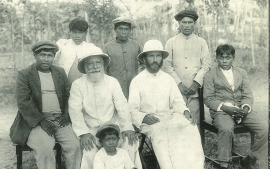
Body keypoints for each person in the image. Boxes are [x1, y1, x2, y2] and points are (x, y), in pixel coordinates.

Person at [129, 40, 204, 169]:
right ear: (144, 59)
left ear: (162, 59)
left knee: (190, 127)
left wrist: (185, 111)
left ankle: (193, 166)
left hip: (168, 117)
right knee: (161, 132)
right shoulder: (137, 81)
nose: (155, 60)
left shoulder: (168, 78)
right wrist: (144, 117)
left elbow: (177, 102)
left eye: (158, 56)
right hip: (149, 122)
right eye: (151, 56)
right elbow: (132, 109)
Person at [9, 41, 82, 169]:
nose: (46, 59)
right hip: (35, 122)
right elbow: (23, 102)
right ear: (35, 55)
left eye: (50, 55)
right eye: (42, 55)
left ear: (54, 57)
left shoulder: (60, 72)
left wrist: (65, 113)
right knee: (45, 149)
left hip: (60, 119)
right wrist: (41, 120)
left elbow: (68, 95)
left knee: (75, 146)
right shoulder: (25, 74)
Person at [68, 46, 142, 169]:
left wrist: (127, 127)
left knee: (130, 142)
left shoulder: (112, 82)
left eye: (98, 63)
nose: (95, 67)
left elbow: (122, 106)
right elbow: (75, 111)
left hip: (114, 126)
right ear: (85, 67)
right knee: (89, 149)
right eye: (90, 64)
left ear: (103, 65)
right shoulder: (78, 85)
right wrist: (84, 133)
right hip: (91, 129)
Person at [203, 44, 268, 169]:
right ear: (216, 58)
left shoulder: (241, 72)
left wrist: (244, 109)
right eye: (221, 57)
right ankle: (224, 163)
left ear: (233, 57)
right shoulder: (210, 75)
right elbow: (208, 98)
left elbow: (248, 94)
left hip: (241, 109)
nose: (225, 60)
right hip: (222, 111)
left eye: (228, 57)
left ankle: (250, 158)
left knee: (264, 127)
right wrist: (226, 108)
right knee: (226, 128)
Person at [163, 9, 211, 127]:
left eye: (190, 22)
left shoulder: (201, 42)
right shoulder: (171, 42)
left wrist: (196, 83)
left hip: (195, 91)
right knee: (177, 121)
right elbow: (167, 65)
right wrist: (178, 84)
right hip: (176, 91)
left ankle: (196, 145)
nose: (187, 25)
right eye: (184, 22)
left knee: (194, 122)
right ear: (179, 24)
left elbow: (206, 65)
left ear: (194, 24)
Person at [102, 16, 143, 99]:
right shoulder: (107, 47)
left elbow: (144, 65)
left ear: (130, 30)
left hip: (134, 88)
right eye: (120, 29)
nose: (123, 32)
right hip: (115, 90)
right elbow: (103, 70)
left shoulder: (136, 45)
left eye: (126, 29)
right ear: (115, 30)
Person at [53, 17, 96, 84]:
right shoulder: (62, 44)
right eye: (74, 32)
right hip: (63, 86)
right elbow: (49, 57)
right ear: (70, 32)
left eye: (80, 32)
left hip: (85, 87)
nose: (77, 36)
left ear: (86, 33)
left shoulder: (91, 48)